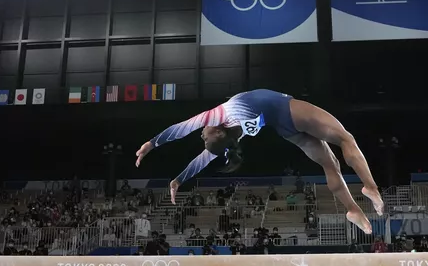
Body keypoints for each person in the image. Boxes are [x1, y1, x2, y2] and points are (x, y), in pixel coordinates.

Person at [135, 89, 384, 233]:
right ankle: (370, 186)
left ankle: (353, 209)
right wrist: (151, 143)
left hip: (285, 129)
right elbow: (182, 128)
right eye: (205, 136)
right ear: (218, 132)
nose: (202, 133)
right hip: (288, 110)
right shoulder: (219, 116)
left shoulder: (232, 136)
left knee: (331, 165)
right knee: (345, 138)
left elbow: (205, 158)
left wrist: (179, 179)